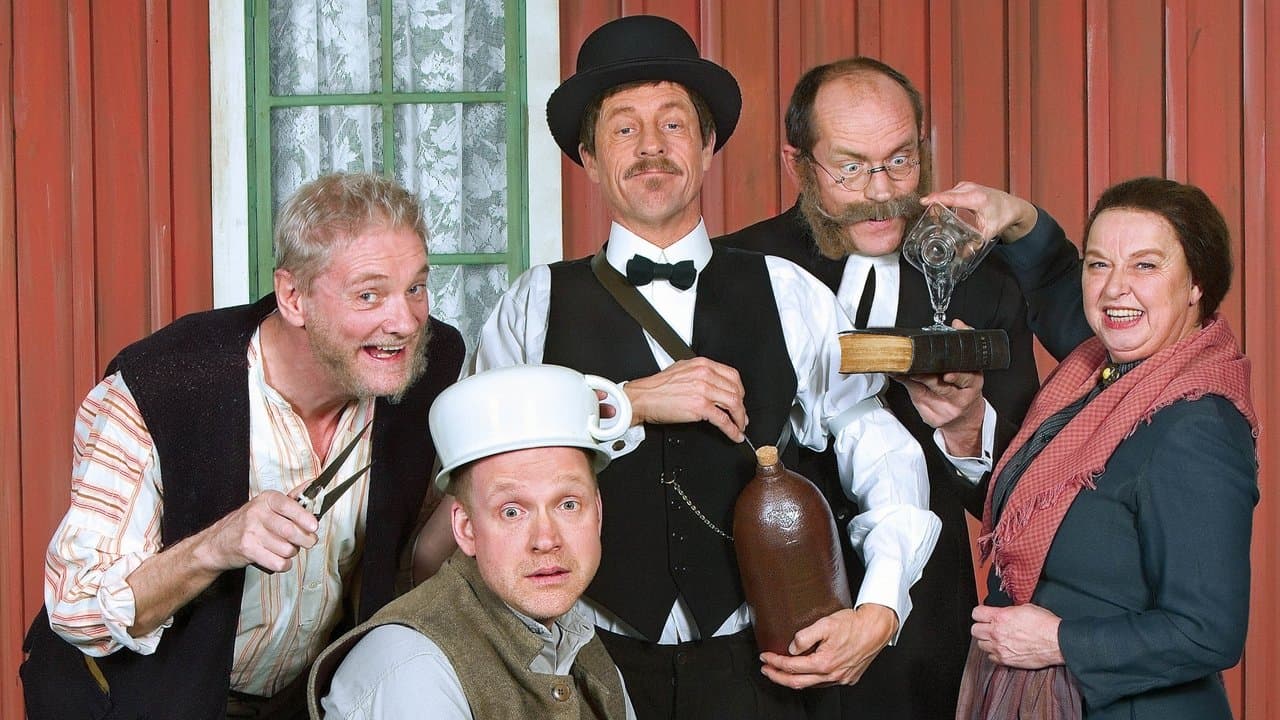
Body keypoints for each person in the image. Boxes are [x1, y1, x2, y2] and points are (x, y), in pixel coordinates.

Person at [471, 15, 940, 720]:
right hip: (582, 664)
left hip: (763, 669)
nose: (651, 147)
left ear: (708, 144)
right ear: (590, 159)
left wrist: (880, 605)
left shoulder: (789, 293)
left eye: (673, 124)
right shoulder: (531, 303)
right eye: (624, 129)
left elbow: (878, 447)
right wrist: (626, 403)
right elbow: (486, 462)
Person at [19, 172, 466, 720]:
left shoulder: (426, 367)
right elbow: (79, 609)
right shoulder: (160, 384)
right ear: (293, 297)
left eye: (416, 288)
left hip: (301, 702)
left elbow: (410, 549)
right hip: (125, 703)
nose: (405, 322)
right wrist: (215, 546)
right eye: (368, 294)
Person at [716, 56, 1051, 719]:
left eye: (900, 161)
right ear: (796, 163)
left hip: (922, 640)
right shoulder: (731, 273)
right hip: (757, 635)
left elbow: (1022, 504)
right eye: (850, 167)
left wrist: (964, 426)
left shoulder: (984, 284)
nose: (881, 190)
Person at [955, 177, 1258, 719]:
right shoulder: (1102, 376)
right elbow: (1055, 286)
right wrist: (1019, 218)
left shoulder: (1196, 424)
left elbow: (1208, 632)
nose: (1116, 288)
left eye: (1146, 265)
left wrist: (1060, 642)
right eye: (1099, 264)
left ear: (1196, 283)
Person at [309, 364, 637, 719]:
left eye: (568, 505)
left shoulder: (581, 644)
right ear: (466, 529)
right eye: (512, 512)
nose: (546, 540)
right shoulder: (416, 670)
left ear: (597, 512)